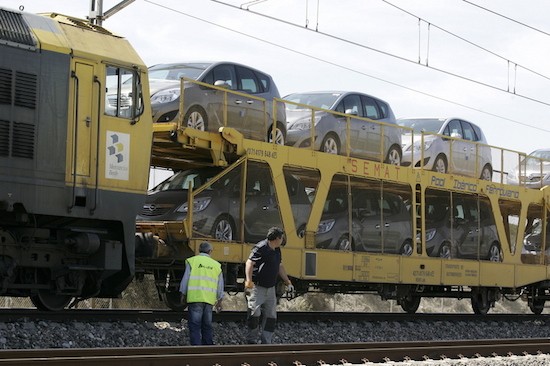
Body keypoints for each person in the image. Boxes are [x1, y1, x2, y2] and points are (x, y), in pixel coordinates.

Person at [244, 226, 294, 344]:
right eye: (282, 238)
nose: (282, 240)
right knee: (254, 313)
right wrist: (248, 281)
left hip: (270, 288)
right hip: (257, 287)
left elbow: (279, 266)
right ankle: (251, 340)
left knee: (271, 316)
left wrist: (288, 282)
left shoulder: (277, 249)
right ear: (277, 238)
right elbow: (249, 263)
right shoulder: (261, 247)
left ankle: (266, 342)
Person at [179, 241, 224, 345]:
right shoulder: (216, 265)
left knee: (195, 325)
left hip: (195, 299)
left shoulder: (192, 261)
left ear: (199, 250)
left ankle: (196, 348)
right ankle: (207, 348)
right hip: (209, 300)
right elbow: (220, 285)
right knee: (207, 325)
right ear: (210, 251)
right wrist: (220, 301)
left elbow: (185, 279)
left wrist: (183, 293)